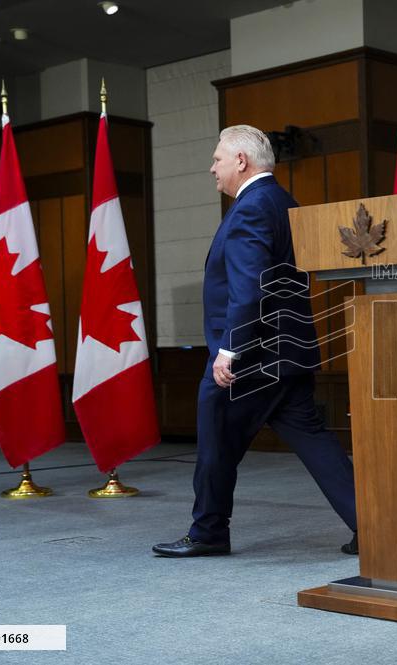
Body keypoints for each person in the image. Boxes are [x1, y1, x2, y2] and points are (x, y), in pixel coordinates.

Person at [153, 125, 358, 557]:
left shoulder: (251, 209)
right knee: (315, 441)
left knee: (214, 440)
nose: (212, 168)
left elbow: (250, 288)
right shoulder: (284, 203)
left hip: (251, 356)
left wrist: (230, 348)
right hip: (288, 351)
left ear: (241, 161)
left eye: (217, 159)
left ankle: (208, 532)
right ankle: (375, 525)